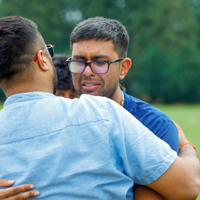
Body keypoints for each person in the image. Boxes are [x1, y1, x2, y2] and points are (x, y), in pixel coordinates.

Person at [0, 15, 200, 200]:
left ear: (123, 68)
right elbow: (188, 186)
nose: (87, 72)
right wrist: (186, 146)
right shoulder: (102, 114)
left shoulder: (153, 123)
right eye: (78, 62)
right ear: (42, 59)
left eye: (100, 62)